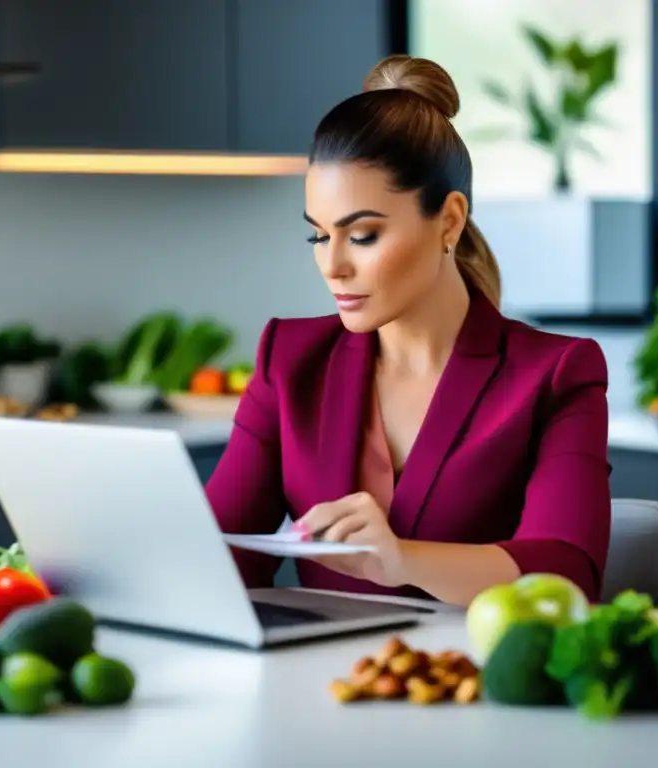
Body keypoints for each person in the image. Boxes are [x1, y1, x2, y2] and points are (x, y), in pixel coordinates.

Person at [204, 54, 612, 607]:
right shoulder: (289, 359)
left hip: (469, 684)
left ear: (449, 219)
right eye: (319, 236)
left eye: (363, 235)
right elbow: (219, 559)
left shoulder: (556, 372)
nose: (332, 265)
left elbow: (566, 577)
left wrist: (401, 558)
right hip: (319, 686)